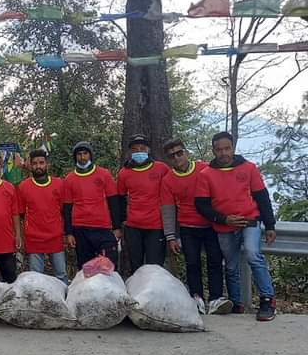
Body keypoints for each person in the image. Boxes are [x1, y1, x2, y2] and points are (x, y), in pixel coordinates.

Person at [195, 132, 277, 321]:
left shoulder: (249, 168)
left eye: (227, 148)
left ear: (233, 147)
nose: (223, 153)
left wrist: (270, 225)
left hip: (249, 221)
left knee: (253, 255)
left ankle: (267, 300)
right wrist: (224, 219)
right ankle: (236, 302)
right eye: (219, 149)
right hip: (224, 226)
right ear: (213, 150)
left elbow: (262, 197)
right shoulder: (206, 174)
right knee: (231, 266)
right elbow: (202, 205)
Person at [160, 139, 232, 315]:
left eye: (179, 153)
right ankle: (196, 297)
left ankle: (216, 298)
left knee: (215, 261)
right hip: (187, 227)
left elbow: (222, 190)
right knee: (192, 263)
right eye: (172, 156)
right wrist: (170, 236)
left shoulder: (204, 168)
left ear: (186, 152)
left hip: (210, 224)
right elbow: (168, 209)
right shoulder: (168, 180)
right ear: (168, 159)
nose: (177, 157)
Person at [63, 142, 122, 269]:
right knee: (86, 268)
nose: (82, 157)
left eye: (85, 153)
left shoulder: (104, 174)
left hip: (102, 227)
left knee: (108, 266)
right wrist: (69, 233)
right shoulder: (69, 179)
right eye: (79, 154)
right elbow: (67, 208)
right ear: (75, 157)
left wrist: (117, 227)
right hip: (80, 228)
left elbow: (113, 201)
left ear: (90, 155)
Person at [117, 134, 170, 274]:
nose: (139, 152)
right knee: (136, 267)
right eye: (135, 149)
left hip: (156, 226)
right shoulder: (124, 173)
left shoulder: (161, 168)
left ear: (148, 150)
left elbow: (171, 193)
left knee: (155, 268)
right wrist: (122, 220)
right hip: (133, 226)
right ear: (130, 152)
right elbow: (120, 197)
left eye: (142, 148)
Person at [18, 149, 69, 284]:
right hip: (34, 238)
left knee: (61, 274)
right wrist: (21, 236)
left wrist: (66, 233)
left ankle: (64, 296)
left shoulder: (59, 184)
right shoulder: (23, 186)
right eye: (35, 163)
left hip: (55, 236)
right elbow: (21, 214)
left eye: (41, 163)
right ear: (30, 165)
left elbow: (64, 211)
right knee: (36, 277)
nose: (38, 166)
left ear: (47, 164)